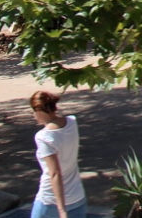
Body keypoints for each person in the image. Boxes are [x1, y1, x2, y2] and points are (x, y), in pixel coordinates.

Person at [28, 90, 87, 218]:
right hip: (77, 197)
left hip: (50, 201)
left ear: (38, 110)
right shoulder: (72, 122)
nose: (33, 115)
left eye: (33, 111)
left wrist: (62, 210)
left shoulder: (43, 137)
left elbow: (55, 173)